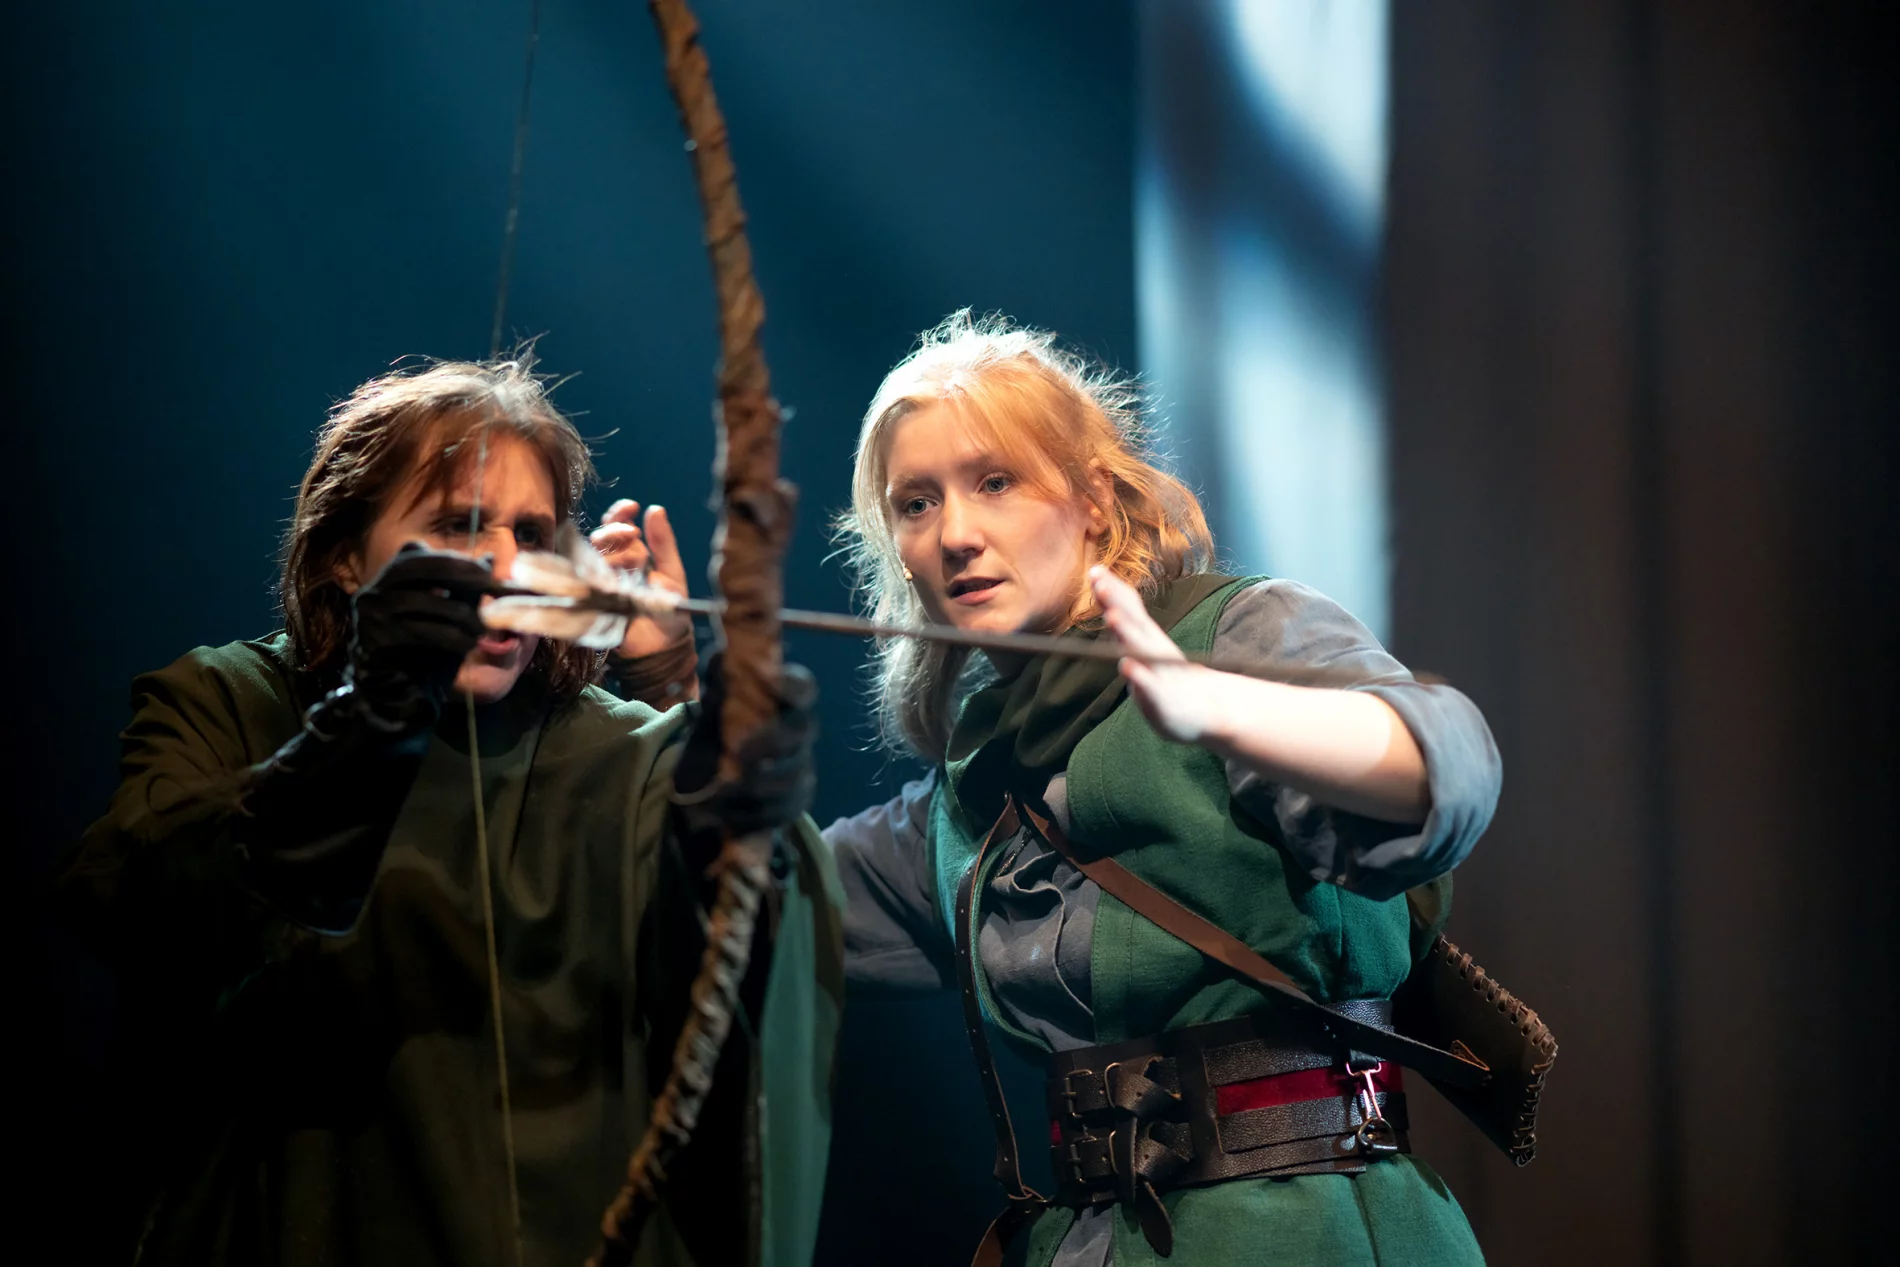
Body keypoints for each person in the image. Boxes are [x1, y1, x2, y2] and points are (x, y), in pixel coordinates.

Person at [58, 356, 842, 1267]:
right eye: (456, 526)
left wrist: (735, 820)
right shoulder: (229, 701)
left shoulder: (630, 753)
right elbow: (133, 908)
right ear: (346, 554)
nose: (505, 565)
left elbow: (735, 998)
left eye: (533, 534)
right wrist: (370, 718)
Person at [815, 311, 1501, 1266]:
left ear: (1092, 498)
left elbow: (1444, 762)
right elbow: (746, 898)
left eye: (996, 481)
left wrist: (1221, 711)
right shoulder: (971, 795)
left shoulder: (1237, 635)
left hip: (1313, 1235)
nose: (956, 534)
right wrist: (642, 685)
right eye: (917, 503)